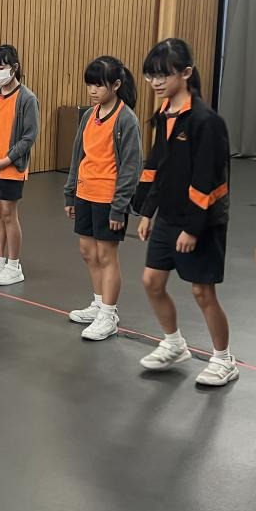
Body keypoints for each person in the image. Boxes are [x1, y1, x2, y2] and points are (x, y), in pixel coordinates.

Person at [133, 38, 238, 386]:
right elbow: (157, 167)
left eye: (164, 74)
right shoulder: (164, 114)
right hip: (168, 215)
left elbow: (208, 178)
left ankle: (224, 359)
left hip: (202, 221)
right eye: (151, 76)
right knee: (152, 281)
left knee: (202, 292)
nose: (156, 82)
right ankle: (174, 343)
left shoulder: (206, 121)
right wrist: (147, 211)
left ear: (187, 73)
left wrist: (193, 228)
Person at [63, 56, 143, 341]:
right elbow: (78, 156)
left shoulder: (126, 119)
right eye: (90, 85)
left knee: (107, 255)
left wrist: (119, 207)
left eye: (99, 85)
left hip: (109, 198)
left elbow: (131, 167)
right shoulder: (89, 115)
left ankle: (109, 315)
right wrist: (70, 193)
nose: (93, 90)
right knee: (88, 251)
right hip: (85, 193)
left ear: (116, 85)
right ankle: (98, 304)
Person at [0, 44, 39, 287]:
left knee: (9, 214)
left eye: (1, 67)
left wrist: (7, 159)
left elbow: (29, 137)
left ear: (14, 68)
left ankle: (14, 265)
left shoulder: (27, 98)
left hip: (10, 167)